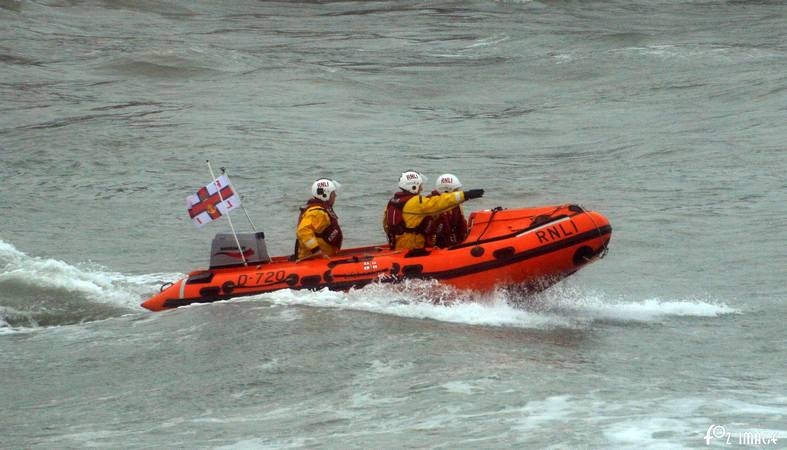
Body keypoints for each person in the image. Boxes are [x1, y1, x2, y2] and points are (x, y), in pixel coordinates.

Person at [383, 171, 483, 250]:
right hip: (412, 247)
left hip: (398, 245)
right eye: (420, 185)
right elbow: (439, 203)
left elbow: (385, 225)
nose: (421, 188)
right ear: (414, 186)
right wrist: (465, 195)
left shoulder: (392, 202)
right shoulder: (416, 202)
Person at [294, 178, 343, 261]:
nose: (335, 196)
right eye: (333, 193)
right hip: (314, 260)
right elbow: (303, 230)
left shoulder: (321, 210)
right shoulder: (317, 212)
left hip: (324, 257)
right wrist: (316, 251)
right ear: (325, 195)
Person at [430, 173, 468, 248]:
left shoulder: (457, 205)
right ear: (447, 191)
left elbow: (461, 225)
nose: (459, 192)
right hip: (439, 245)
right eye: (456, 190)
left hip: (453, 242)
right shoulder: (432, 205)